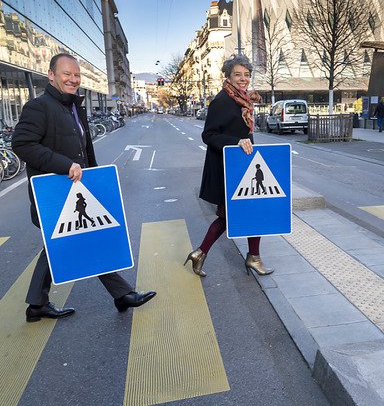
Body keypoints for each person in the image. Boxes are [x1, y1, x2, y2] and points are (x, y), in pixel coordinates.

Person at [12, 53, 156, 322]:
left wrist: (94, 182)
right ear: (51, 75)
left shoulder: (74, 107)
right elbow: (22, 144)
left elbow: (85, 150)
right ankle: (120, 294)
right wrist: (63, 165)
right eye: (66, 74)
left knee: (69, 242)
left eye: (76, 75)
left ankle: (38, 304)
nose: (73, 79)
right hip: (54, 192)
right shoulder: (38, 106)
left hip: (76, 188)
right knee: (76, 241)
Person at [184, 55, 274, 277]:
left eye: (246, 75)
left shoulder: (242, 99)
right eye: (238, 74)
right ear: (228, 76)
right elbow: (209, 135)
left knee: (237, 214)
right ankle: (251, 258)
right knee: (246, 212)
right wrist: (237, 142)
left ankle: (201, 254)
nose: (243, 79)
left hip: (242, 165)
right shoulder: (223, 100)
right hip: (228, 168)